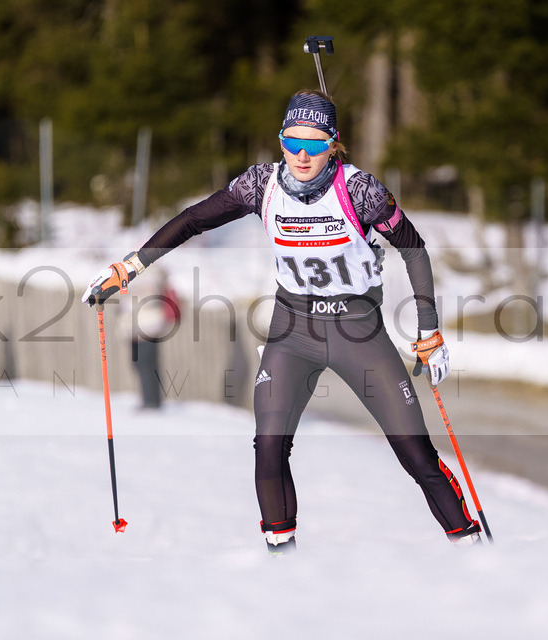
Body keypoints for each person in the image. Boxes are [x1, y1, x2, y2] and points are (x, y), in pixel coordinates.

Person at [83, 90, 480, 552]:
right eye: (292, 143)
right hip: (293, 331)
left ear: (334, 144)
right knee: (268, 448)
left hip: (358, 331)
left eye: (315, 144)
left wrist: (427, 329)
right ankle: (282, 566)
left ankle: (470, 547)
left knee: (416, 456)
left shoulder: (359, 191)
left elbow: (413, 248)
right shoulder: (261, 185)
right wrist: (130, 266)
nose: (302, 155)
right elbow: (193, 220)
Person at [125, 269, 181, 410]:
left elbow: (147, 298)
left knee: (146, 364)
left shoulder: (151, 273)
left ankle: (151, 401)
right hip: (137, 327)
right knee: (142, 364)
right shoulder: (140, 273)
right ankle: (150, 399)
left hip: (147, 327)